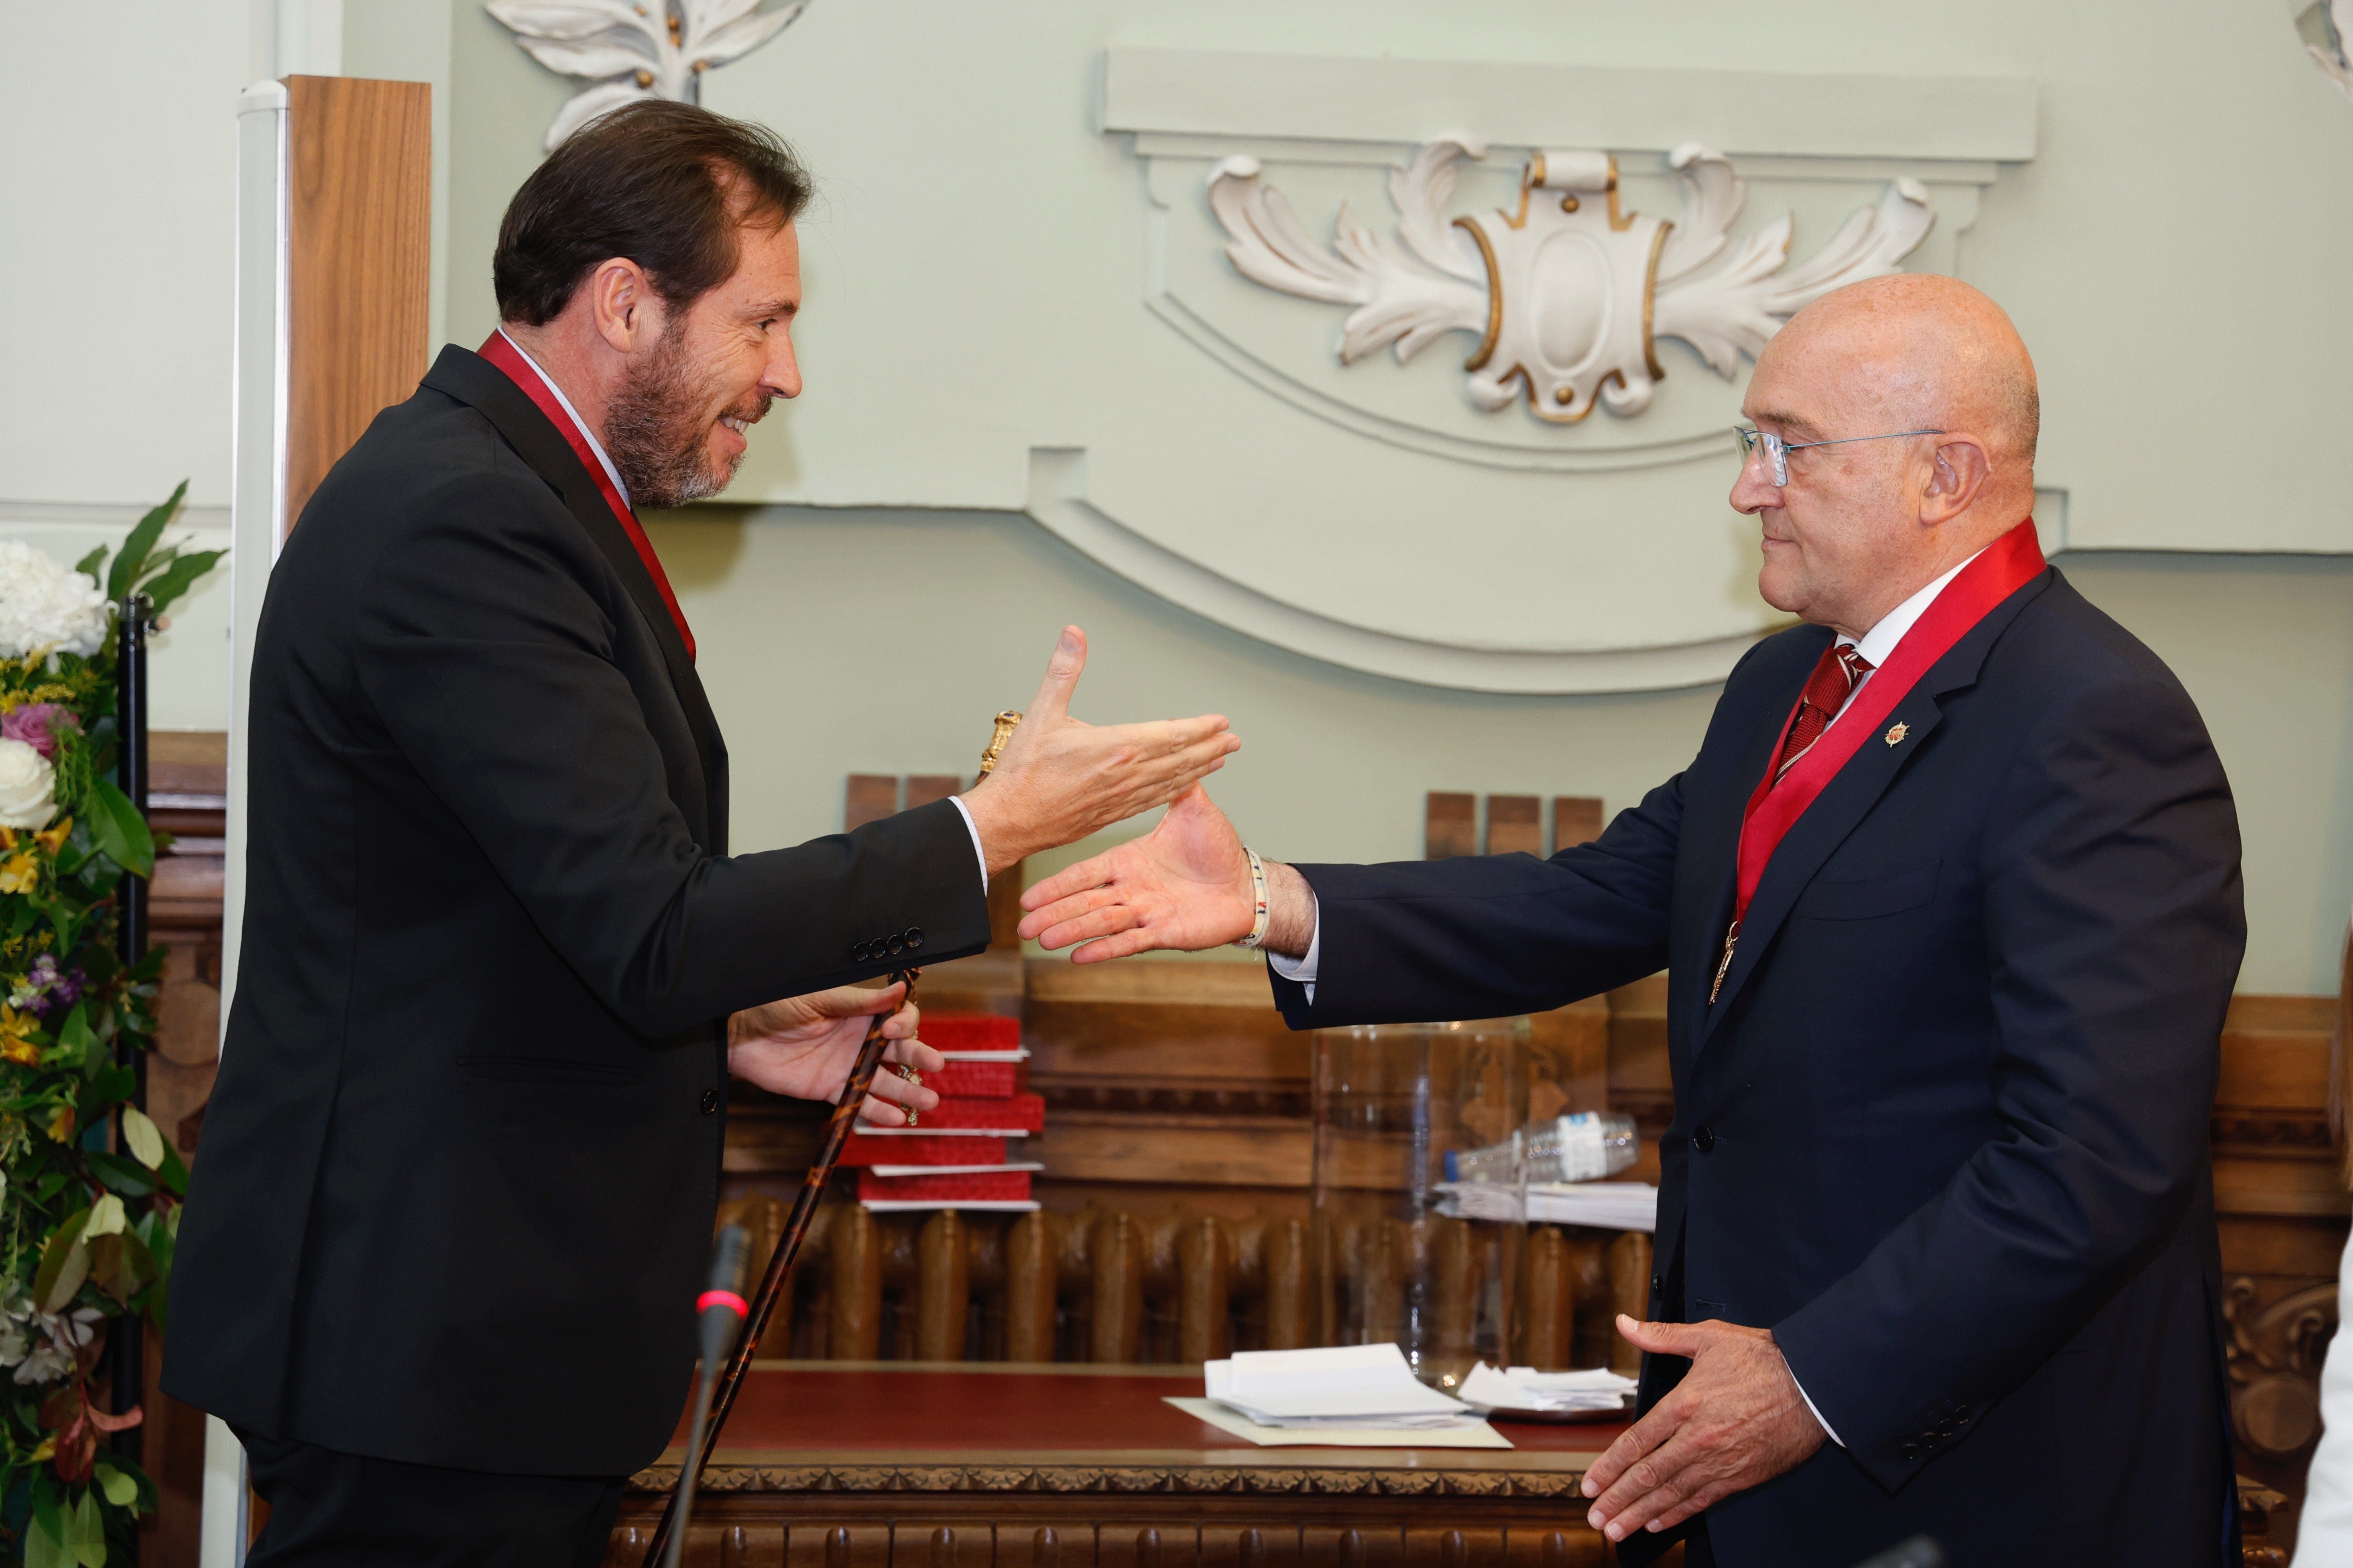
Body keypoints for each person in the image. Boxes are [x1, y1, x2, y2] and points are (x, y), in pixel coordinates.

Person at [1019, 274, 2245, 1566]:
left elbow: (2092, 1160)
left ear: (1945, 475)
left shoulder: (2093, 719)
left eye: (1791, 448)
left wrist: (1813, 1377)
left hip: (1992, 1491)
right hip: (1760, 1475)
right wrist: (1270, 899)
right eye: (1751, 442)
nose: (1749, 487)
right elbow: (1596, 897)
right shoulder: (1786, 681)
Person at [165, 101, 1239, 1565]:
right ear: (625, 303)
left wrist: (732, 1027)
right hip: (422, 1339)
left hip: (463, 1344)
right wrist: (987, 830)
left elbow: (518, 914)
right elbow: (654, 921)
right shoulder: (462, 519)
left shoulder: (506, 494)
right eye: (763, 322)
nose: (787, 373)